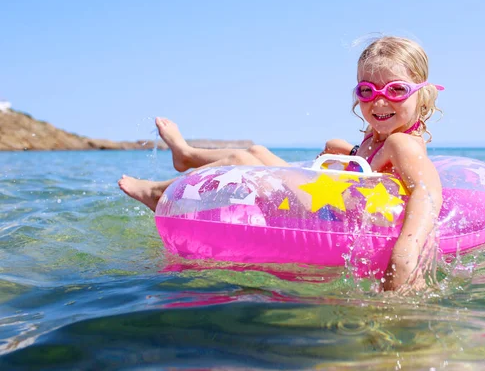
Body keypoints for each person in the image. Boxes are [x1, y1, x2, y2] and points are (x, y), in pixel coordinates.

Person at [119, 36, 444, 291]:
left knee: (244, 160)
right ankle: (186, 156)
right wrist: (347, 153)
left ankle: (161, 190)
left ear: (423, 93)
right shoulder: (380, 138)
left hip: (330, 220)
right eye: (367, 90)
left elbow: (428, 192)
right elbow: (371, 172)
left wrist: (406, 252)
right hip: (330, 208)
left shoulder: (402, 143)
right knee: (258, 151)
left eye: (397, 90)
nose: (380, 100)